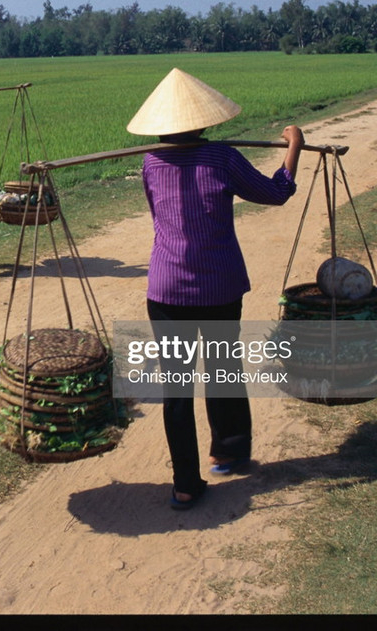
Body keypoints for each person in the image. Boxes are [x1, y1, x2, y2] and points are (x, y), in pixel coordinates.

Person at [127, 68, 304, 510]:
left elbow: (160, 215)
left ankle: (185, 483)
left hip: (166, 289)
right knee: (224, 368)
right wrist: (294, 148)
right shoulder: (221, 159)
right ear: (204, 121)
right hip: (218, 285)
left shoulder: (150, 162)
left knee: (178, 387)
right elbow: (274, 193)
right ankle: (227, 449)